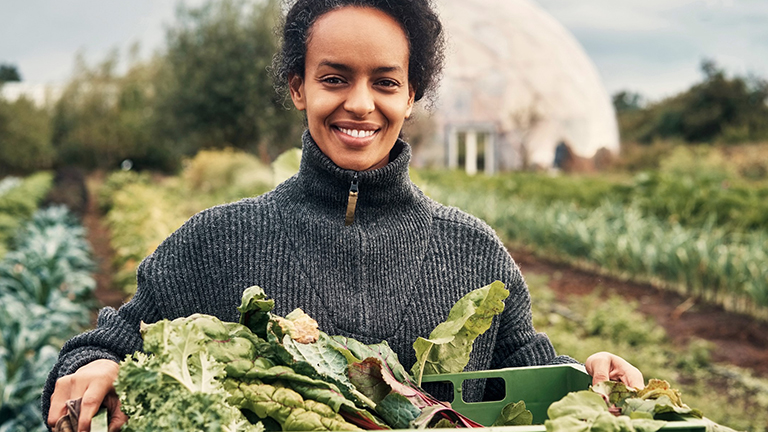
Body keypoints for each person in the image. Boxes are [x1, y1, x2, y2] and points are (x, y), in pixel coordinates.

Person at [44, 0, 643, 430]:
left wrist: (585, 374)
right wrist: (93, 364)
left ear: (411, 96)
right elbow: (106, 343)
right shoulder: (215, 240)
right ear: (299, 87)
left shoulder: (474, 253)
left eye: (385, 82)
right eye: (335, 78)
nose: (360, 103)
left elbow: (527, 375)